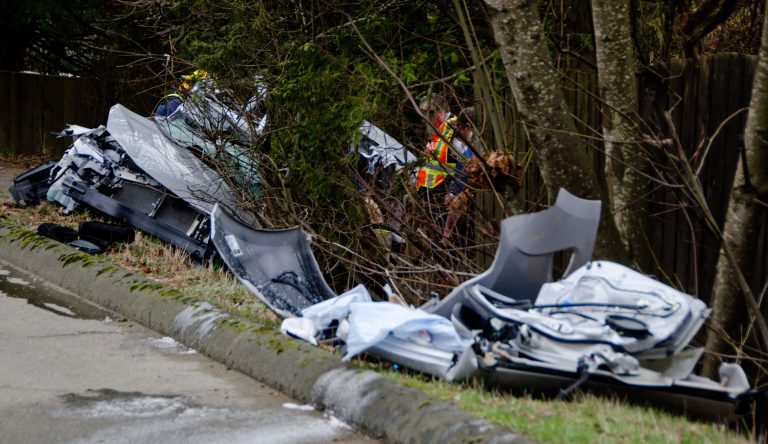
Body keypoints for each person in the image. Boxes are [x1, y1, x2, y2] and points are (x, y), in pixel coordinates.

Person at [415, 100, 475, 240]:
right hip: (433, 192)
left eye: (429, 115)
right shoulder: (440, 129)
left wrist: (454, 191)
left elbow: (465, 159)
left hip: (444, 190)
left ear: (438, 113)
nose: (427, 120)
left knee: (447, 236)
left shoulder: (453, 128)